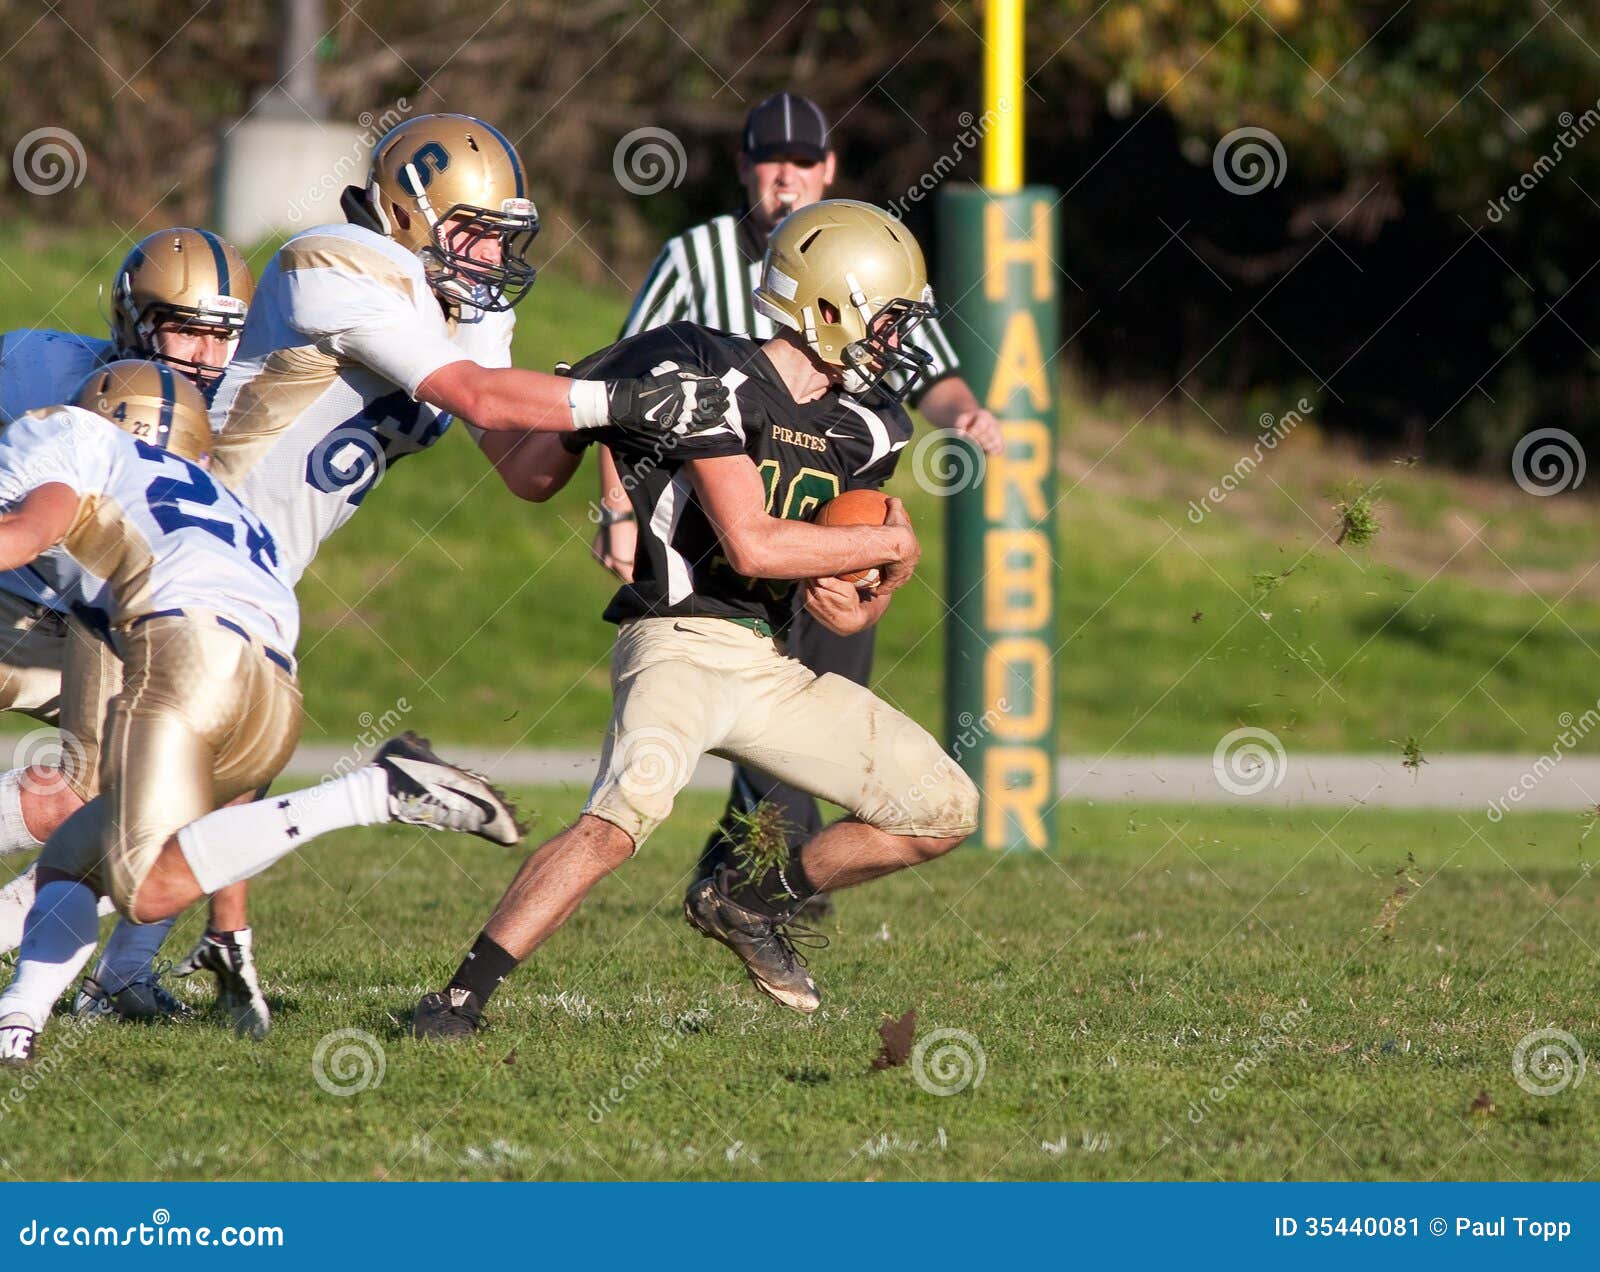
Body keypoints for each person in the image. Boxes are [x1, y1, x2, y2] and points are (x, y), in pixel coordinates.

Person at [0, 112, 730, 1039]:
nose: (488, 255)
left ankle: (113, 982)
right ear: (406, 211)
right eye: (472, 230)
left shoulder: (467, 301)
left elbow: (524, 465)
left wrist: (627, 420)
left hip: (248, 580)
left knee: (177, 796)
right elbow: (477, 397)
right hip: (162, 568)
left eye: (501, 235)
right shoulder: (335, 261)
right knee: (95, 803)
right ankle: (54, 995)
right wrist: (619, 395)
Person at [413, 201, 979, 1040]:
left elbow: (853, 609)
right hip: (676, 638)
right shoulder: (701, 364)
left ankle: (746, 901)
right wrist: (893, 543)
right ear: (829, 307)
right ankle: (457, 1002)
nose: (899, 341)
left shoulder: (870, 428)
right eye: (890, 319)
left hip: (769, 662)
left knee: (943, 808)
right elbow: (748, 544)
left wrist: (867, 588)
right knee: (618, 822)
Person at [0, 360, 525, 1068]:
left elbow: (26, 534)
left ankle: (372, 791)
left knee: (146, 890)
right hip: (273, 688)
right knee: (72, 859)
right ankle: (16, 1025)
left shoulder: (79, 439)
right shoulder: (223, 504)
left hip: (185, 649)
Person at [596, 92, 1000, 919]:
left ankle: (751, 860)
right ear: (746, 169)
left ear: (827, 170)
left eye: (802, 161)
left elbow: (925, 366)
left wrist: (963, 414)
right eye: (769, 160)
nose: (786, 174)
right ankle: (762, 872)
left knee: (827, 690)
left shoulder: (869, 258)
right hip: (716, 527)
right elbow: (621, 389)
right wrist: (618, 507)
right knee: (747, 690)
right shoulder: (697, 256)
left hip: (828, 514)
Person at [0, 227, 258, 1023]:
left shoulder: (229, 417)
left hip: (90, 629)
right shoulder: (35, 366)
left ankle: (121, 976)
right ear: (135, 321)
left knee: (158, 779)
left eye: (223, 336)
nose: (206, 359)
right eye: (187, 329)